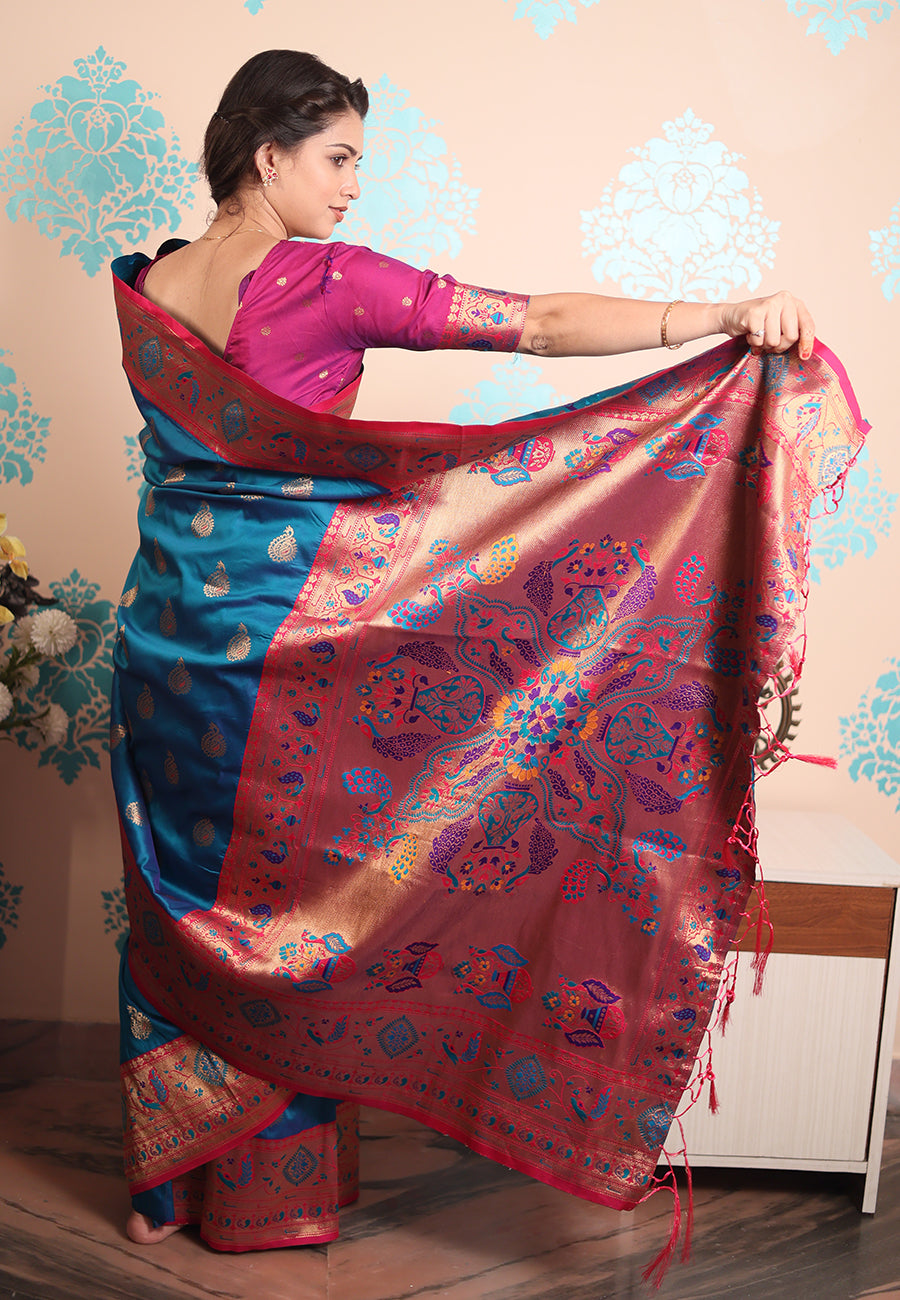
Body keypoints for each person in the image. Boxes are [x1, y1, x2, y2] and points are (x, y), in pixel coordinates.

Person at [110, 49, 854, 1264]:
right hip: (280, 659)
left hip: (162, 643)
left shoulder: (151, 286)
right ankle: (258, 1198)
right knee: (282, 911)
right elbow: (539, 324)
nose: (351, 185)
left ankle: (170, 1185)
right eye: (337, 158)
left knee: (188, 902)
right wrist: (720, 316)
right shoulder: (323, 279)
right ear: (269, 156)